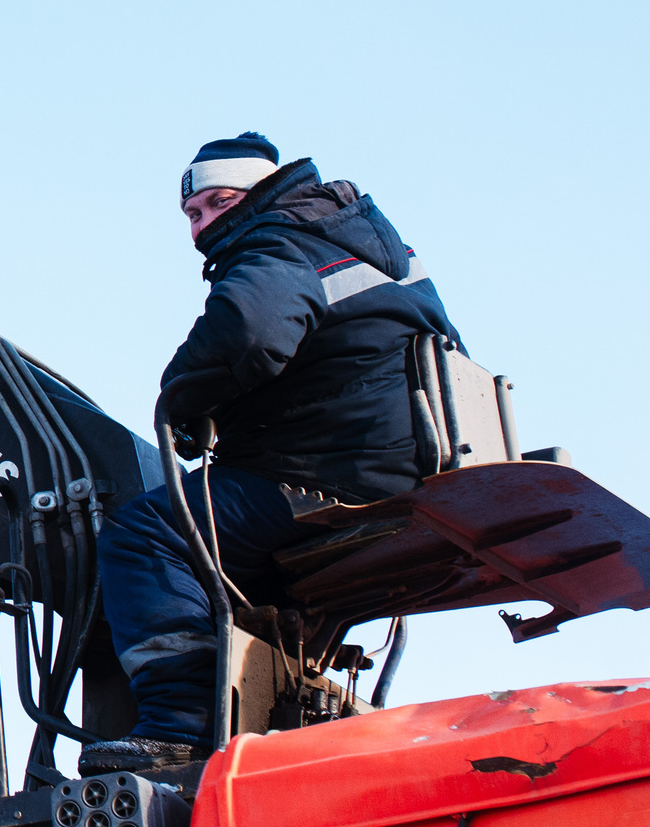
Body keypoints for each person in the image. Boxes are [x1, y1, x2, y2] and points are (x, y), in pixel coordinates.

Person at [78, 132, 464, 774]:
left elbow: (248, 333)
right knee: (229, 561)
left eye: (216, 204)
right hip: (394, 466)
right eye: (192, 214)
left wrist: (182, 395)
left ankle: (179, 725)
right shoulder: (361, 240)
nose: (202, 227)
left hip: (323, 473)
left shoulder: (278, 238)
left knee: (147, 535)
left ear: (258, 192)